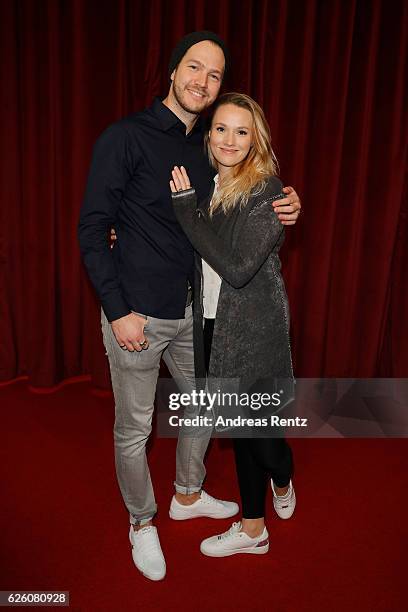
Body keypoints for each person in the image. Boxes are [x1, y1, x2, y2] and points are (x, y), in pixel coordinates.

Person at [78, 32, 301, 581]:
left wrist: (284, 202)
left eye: (216, 74)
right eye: (195, 68)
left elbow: (238, 201)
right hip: (137, 314)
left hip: (197, 315)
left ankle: (186, 493)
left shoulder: (206, 147)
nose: (203, 81)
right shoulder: (124, 137)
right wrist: (116, 308)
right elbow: (92, 228)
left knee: (203, 411)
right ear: (174, 71)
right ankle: (141, 522)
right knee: (134, 427)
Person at [170, 92, 296, 557]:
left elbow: (239, 268)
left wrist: (186, 212)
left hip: (254, 329)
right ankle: (252, 529)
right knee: (240, 431)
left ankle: (283, 474)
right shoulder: (205, 184)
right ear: (209, 134)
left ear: (255, 139)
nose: (229, 139)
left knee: (259, 436)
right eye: (221, 128)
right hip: (208, 325)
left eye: (242, 131)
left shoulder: (267, 191)